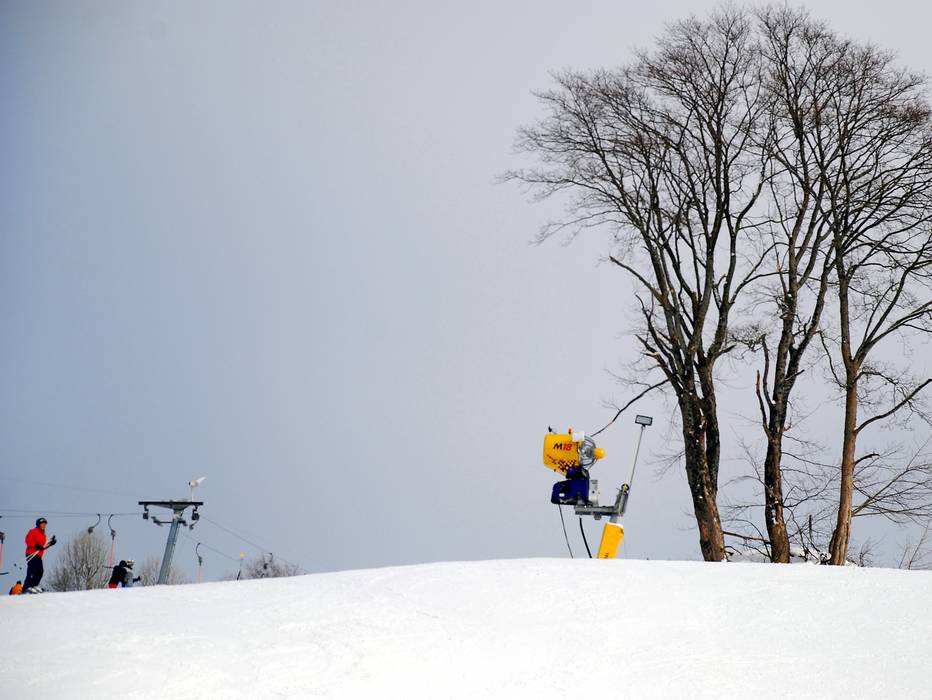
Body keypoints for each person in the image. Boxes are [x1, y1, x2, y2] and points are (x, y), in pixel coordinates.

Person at [23, 518, 56, 592]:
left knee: (40, 571)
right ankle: (27, 587)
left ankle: (34, 585)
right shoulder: (33, 531)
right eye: (42, 524)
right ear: (38, 524)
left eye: (45, 524)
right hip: (31, 554)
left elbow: (42, 547)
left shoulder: (43, 535)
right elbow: (28, 540)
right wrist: (36, 545)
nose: (44, 525)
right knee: (32, 570)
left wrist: (50, 544)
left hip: (38, 555)